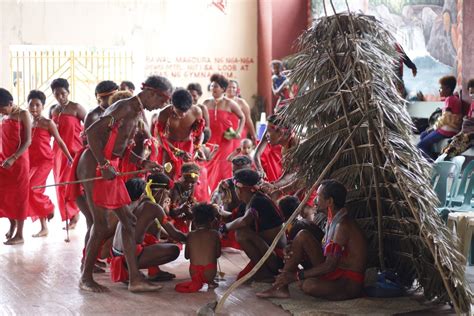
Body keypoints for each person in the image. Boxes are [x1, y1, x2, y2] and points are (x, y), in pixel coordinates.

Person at [76, 75, 172, 293]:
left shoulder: (135, 111)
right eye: (160, 101)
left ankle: (135, 279)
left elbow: (121, 147)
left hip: (110, 165)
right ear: (151, 93)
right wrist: (103, 164)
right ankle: (86, 277)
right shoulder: (125, 107)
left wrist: (143, 162)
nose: (159, 107)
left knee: (129, 221)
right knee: (100, 226)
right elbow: (91, 133)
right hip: (95, 164)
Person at [257, 180, 367, 300]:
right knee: (302, 235)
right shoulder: (334, 218)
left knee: (308, 285)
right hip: (335, 272)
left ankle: (282, 284)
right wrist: (293, 248)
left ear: (329, 201)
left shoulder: (342, 225)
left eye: (318, 196)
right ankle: (280, 288)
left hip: (347, 283)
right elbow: (327, 254)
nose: (314, 199)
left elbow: (330, 265)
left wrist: (297, 275)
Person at [110, 176, 186, 283]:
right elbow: (174, 234)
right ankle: (132, 270)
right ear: (161, 192)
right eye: (166, 193)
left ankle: (153, 271)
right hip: (128, 257)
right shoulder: (152, 207)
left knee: (151, 236)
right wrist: (193, 238)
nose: (167, 197)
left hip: (115, 254)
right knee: (174, 250)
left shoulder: (126, 205)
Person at [219, 169, 286, 281]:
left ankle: (264, 273)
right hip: (270, 255)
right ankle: (262, 269)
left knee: (241, 233)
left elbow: (244, 221)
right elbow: (233, 217)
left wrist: (224, 228)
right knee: (237, 228)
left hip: (278, 259)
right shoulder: (252, 199)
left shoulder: (259, 201)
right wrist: (218, 212)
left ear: (239, 189)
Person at [27, 90, 73, 238]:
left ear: (43, 106)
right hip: (30, 161)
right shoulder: (27, 122)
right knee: (29, 191)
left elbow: (59, 141)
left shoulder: (48, 123)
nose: (34, 108)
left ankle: (48, 207)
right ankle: (44, 227)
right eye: (31, 105)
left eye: (37, 105)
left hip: (45, 161)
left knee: (33, 189)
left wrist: (69, 158)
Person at [49, 78, 86, 228]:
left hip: (74, 151)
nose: (61, 97)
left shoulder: (76, 107)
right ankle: (70, 215)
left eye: (63, 93)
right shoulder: (53, 110)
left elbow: (90, 124)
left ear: (68, 92)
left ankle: (75, 215)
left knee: (69, 184)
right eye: (57, 94)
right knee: (59, 185)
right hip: (58, 153)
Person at [0, 88, 31, 245]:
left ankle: (20, 234)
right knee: (4, 195)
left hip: (18, 161)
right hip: (4, 159)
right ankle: (11, 225)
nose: (1, 112)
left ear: (10, 103)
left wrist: (13, 158)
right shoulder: (4, 115)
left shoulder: (23, 114)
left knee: (19, 197)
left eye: (2, 109)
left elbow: (28, 141)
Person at [204, 73, 245, 191]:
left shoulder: (229, 103)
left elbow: (242, 117)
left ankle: (225, 193)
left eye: (215, 86)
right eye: (211, 86)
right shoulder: (206, 103)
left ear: (223, 89)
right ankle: (209, 194)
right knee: (209, 167)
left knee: (223, 168)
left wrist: (238, 132)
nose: (213, 89)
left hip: (225, 140)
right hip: (210, 141)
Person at [153, 88, 204, 179]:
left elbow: (200, 134)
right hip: (168, 146)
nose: (183, 114)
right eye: (180, 111)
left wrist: (197, 148)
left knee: (189, 176)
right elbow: (159, 137)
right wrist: (176, 151)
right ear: (173, 105)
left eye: (186, 111)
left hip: (188, 146)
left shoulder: (196, 111)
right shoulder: (164, 114)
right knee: (167, 175)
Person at [175, 203, 221, 293]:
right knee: (212, 264)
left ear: (194, 222)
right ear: (212, 221)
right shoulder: (215, 234)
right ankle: (210, 282)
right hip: (210, 272)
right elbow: (218, 254)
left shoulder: (190, 235)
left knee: (194, 265)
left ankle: (198, 281)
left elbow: (187, 256)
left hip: (194, 273)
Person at [212, 155, 253, 249]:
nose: (236, 175)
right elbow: (215, 200)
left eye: (241, 172)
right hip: (230, 225)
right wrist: (216, 207)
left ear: (250, 169)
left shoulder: (257, 184)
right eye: (234, 172)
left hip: (248, 225)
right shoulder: (226, 184)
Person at [417, 75, 462, 160]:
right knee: (423, 135)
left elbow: (445, 118)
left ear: (448, 89)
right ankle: (434, 156)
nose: (439, 90)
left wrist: (433, 128)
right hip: (450, 128)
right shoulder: (454, 98)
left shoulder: (449, 100)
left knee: (420, 145)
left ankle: (433, 164)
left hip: (447, 130)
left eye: (441, 89)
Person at [443, 79, 474, 158]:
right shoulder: (472, 104)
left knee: (451, 151)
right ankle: (443, 160)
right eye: (471, 93)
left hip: (470, 135)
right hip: (466, 132)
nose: (473, 95)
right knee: (448, 147)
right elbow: (468, 121)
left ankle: (445, 161)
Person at [169, 162, 200, 234]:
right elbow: (171, 213)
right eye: (186, 181)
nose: (189, 185)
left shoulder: (192, 186)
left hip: (181, 215)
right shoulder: (175, 188)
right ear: (182, 178)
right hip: (170, 219)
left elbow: (190, 201)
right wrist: (182, 209)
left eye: (192, 182)